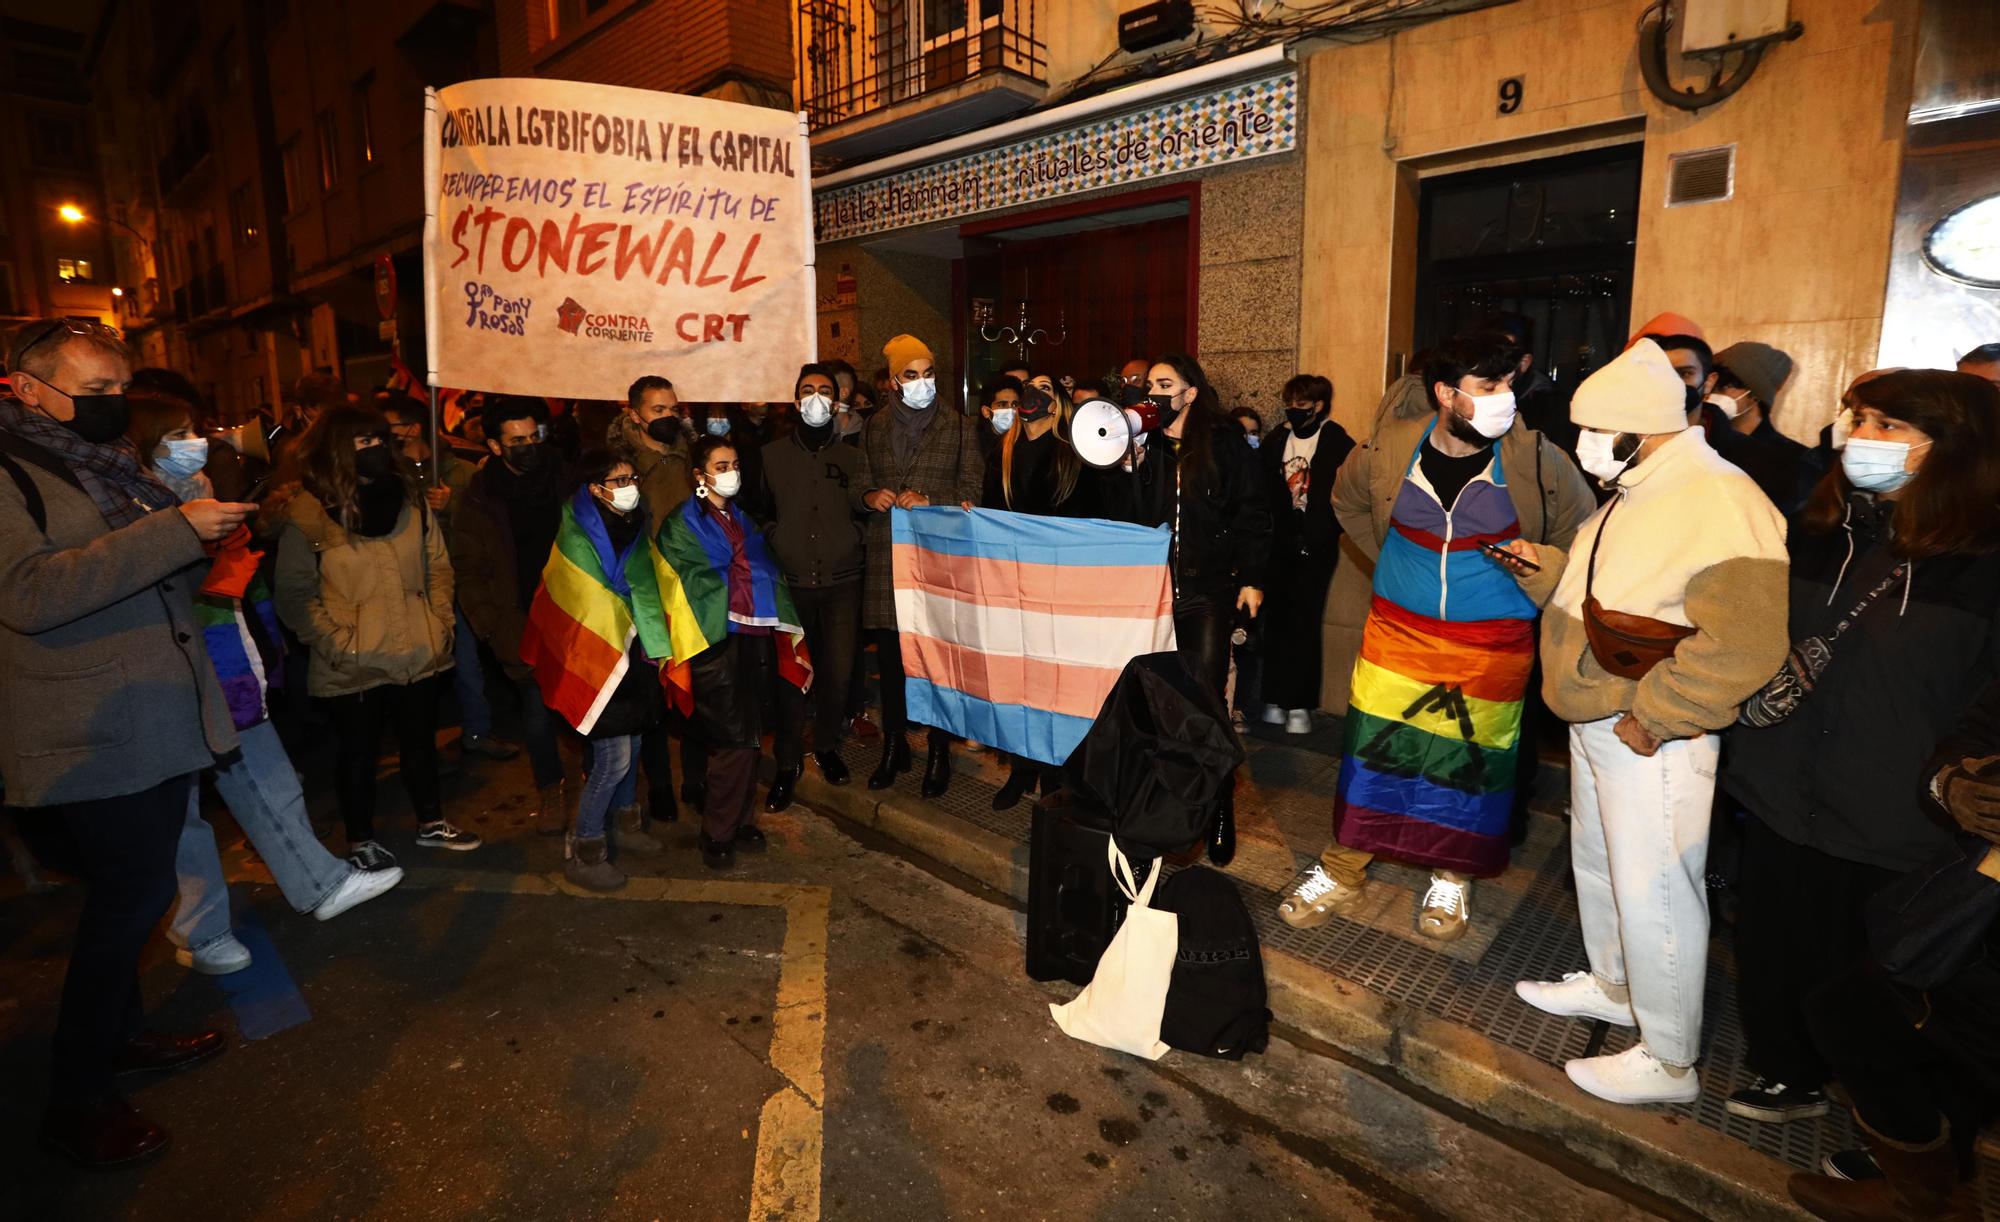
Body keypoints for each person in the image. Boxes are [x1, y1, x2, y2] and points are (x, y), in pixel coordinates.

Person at [1507, 338, 1789, 1106]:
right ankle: (1616, 985)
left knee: (1658, 884)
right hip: (1600, 717)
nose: (1583, 445)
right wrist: (1544, 570)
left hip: (1649, 727)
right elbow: (1620, 590)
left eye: (1594, 431)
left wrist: (1662, 716)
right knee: (1601, 865)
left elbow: (1749, 640)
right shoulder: (1638, 487)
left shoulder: (1719, 498)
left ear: (1642, 428)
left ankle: (1669, 1059)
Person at [1, 320, 253, 1167]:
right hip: (88, 727)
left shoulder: (105, 464)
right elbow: (29, 593)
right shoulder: (9, 471)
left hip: (154, 709)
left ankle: (121, 1036)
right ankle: (74, 1104)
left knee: (139, 894)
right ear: (30, 389)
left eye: (121, 389)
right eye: (96, 392)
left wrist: (199, 522)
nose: (115, 405)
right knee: (127, 904)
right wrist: (176, 531)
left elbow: (156, 569)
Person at [1718, 369, 2000, 1125]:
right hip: (1786, 787)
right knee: (1778, 944)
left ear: (1955, 449)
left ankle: (1905, 1135)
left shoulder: (1984, 564)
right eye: (1858, 419)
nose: (1860, 440)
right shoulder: (1822, 531)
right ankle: (1787, 1069)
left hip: (1902, 812)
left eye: (1888, 426)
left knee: (1886, 977)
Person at [1295, 332, 1593, 939]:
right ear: (1446, 394)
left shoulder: (1538, 459)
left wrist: (1537, 563)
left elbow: (1582, 534)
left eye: (1509, 385)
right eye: (1488, 387)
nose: (1504, 398)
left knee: (1467, 765)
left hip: (1493, 643)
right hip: (1398, 635)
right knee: (1375, 753)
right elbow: (1346, 503)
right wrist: (1393, 563)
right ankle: (1345, 865)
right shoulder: (1386, 451)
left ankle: (1451, 878)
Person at [128, 388, 405, 974]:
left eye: (192, 431)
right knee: (178, 812)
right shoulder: (122, 504)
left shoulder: (201, 489)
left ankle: (320, 883)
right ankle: (202, 934)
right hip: (154, 667)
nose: (195, 445)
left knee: (267, 773)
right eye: (175, 437)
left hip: (224, 652)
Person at [1784, 674, 2000, 1221]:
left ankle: (1928, 1201)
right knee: (1859, 1015)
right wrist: (1951, 785)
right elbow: (1971, 734)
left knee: (1856, 1018)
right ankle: (1929, 1199)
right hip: (1977, 908)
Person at [273, 403, 477, 869]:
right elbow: (294, 591)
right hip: (353, 657)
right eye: (363, 442)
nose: (376, 450)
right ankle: (360, 839)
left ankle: (431, 822)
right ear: (336, 450)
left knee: (419, 741)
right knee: (358, 753)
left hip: (416, 645)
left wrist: (439, 621)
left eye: (380, 440)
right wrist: (335, 641)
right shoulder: (308, 513)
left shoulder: (409, 498)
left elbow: (438, 566)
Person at [1112, 353, 1274, 865]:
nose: (1155, 390)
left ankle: (1219, 802)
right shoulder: (1145, 445)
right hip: (1153, 589)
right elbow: (1130, 517)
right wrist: (1130, 468)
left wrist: (1251, 577)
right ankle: (1167, 803)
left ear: (1191, 392)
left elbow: (1253, 511)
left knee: (1204, 698)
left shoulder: (1223, 444)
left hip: (1206, 590)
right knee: (1157, 696)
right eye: (1150, 383)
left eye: (1166, 383)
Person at [521, 448, 672, 892]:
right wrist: (627, 615)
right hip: (596, 658)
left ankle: (626, 823)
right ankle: (585, 847)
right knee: (612, 759)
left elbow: (648, 581)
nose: (629, 488)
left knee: (637, 743)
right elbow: (583, 600)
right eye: (619, 480)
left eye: (632, 479)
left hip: (634, 653)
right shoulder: (576, 533)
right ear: (595, 488)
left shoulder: (635, 525)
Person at [660, 437, 812, 868]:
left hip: (753, 642)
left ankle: (741, 820)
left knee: (748, 740)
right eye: (721, 465)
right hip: (712, 646)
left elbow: (764, 573)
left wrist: (752, 572)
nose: (732, 472)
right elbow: (686, 586)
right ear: (699, 476)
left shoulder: (741, 519)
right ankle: (718, 831)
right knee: (732, 743)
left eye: (735, 463)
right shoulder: (680, 526)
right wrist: (749, 573)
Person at [854, 334, 983, 797]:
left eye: (929, 374)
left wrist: (933, 501)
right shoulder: (874, 426)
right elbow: (860, 482)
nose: (922, 383)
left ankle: (940, 751)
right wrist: (870, 496)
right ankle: (894, 744)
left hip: (937, 560)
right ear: (893, 382)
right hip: (887, 555)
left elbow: (972, 491)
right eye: (912, 375)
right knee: (890, 660)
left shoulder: (960, 426)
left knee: (937, 661)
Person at [452, 395, 581, 836]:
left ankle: (602, 786)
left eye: (535, 436)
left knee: (591, 707)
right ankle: (551, 790)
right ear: (494, 445)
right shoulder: (479, 498)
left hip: (577, 616)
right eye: (518, 440)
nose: (530, 445)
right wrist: (492, 629)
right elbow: (469, 572)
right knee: (537, 713)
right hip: (520, 623)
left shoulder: (566, 478)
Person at [382, 396, 516, 763]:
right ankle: (417, 748)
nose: (383, 435)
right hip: (411, 584)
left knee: (467, 663)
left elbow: (487, 527)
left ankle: (477, 731)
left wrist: (453, 503)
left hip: (459, 582)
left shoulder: (461, 470)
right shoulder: (390, 474)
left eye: (390, 426)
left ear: (412, 427)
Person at [982, 377, 1093, 807]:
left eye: (1044, 387)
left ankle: (1055, 774)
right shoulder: (1002, 454)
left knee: (1053, 687)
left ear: (1058, 403)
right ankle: (1021, 769)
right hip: (1012, 587)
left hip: (1057, 589)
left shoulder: (1074, 457)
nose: (1032, 392)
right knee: (1017, 684)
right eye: (1028, 385)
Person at [760, 363, 865, 802]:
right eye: (808, 390)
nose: (817, 398)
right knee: (790, 678)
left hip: (843, 583)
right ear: (795, 399)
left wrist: (852, 539)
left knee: (837, 675)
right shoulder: (771, 454)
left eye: (825, 390)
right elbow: (758, 510)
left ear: (837, 400)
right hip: (791, 583)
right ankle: (787, 760)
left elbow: (863, 507)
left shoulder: (854, 456)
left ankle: (825, 746)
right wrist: (778, 540)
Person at [1258, 374, 1355, 734]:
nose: (1294, 411)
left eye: (1302, 405)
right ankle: (1273, 697)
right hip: (1279, 543)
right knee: (1277, 620)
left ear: (1319, 406)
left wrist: (1326, 530)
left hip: (1317, 545)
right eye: (1290, 404)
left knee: (1305, 620)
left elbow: (1349, 494)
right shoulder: (1275, 440)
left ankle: (1299, 703)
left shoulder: (1337, 442)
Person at [1708, 341, 1814, 515]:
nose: (1713, 394)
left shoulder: (1792, 460)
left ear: (1755, 395)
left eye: (1726, 386)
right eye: (1712, 385)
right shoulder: (1704, 443)